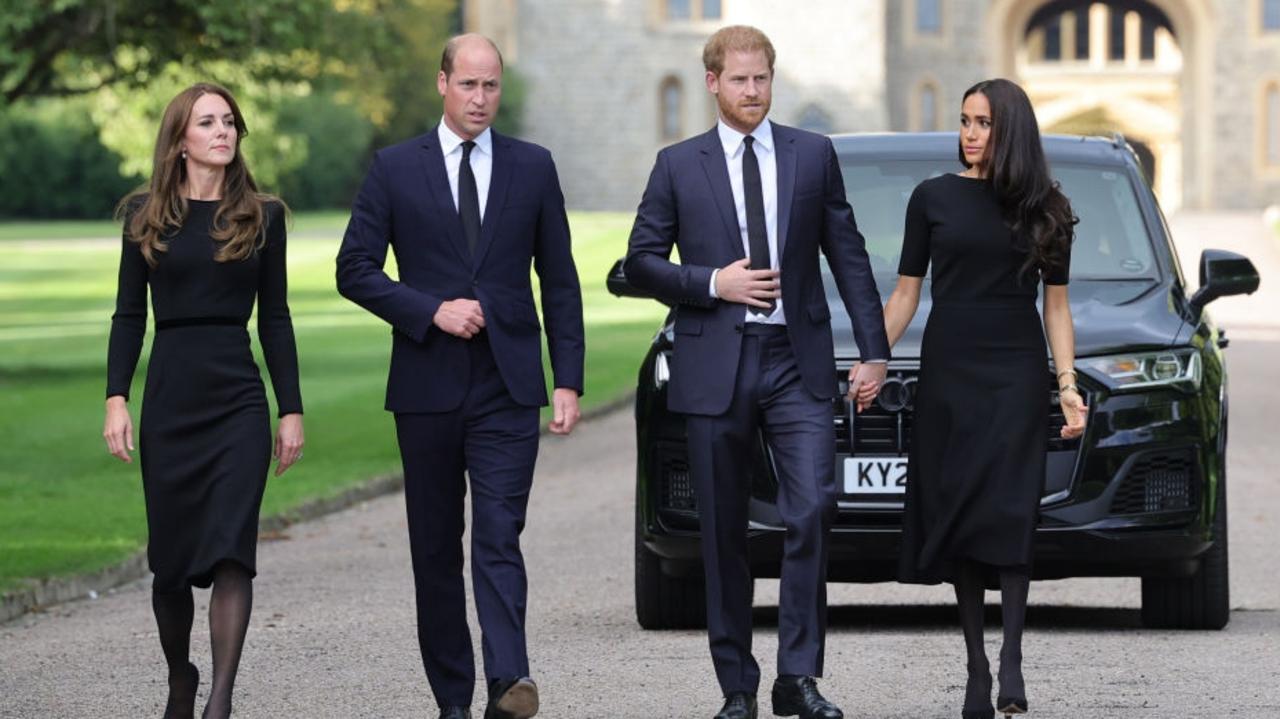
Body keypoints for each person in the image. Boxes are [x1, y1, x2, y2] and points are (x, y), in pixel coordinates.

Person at [624, 25, 890, 719]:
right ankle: (737, 686)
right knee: (722, 531)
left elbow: (849, 255)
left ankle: (796, 677)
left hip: (795, 363)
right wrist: (714, 281)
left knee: (813, 508)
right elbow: (642, 261)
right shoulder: (678, 165)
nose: (752, 91)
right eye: (739, 80)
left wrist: (873, 349)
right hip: (715, 361)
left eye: (762, 78)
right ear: (712, 82)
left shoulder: (812, 155)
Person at [335, 34, 584, 719]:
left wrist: (569, 379)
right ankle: (453, 699)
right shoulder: (394, 169)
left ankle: (509, 682)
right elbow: (353, 269)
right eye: (468, 85)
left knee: (499, 534)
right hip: (426, 386)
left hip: (509, 386)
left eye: (491, 86)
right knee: (436, 548)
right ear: (442, 83)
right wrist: (430, 310)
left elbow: (559, 281)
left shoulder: (533, 167)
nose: (480, 99)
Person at [880, 78, 1087, 719]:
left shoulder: (1049, 207)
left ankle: (1014, 659)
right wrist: (872, 356)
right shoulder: (932, 198)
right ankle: (976, 665)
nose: (969, 133)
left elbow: (1057, 308)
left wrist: (1068, 387)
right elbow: (907, 293)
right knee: (964, 513)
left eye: (983, 123)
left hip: (1016, 374)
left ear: (1011, 131)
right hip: (950, 374)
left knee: (1011, 509)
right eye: (965, 120)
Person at [103, 82, 304, 719]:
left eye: (229, 122)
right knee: (169, 566)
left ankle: (219, 701)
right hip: (171, 397)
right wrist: (116, 398)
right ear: (180, 140)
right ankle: (181, 676)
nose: (223, 131)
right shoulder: (144, 215)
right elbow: (128, 316)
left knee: (230, 551)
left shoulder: (263, 216)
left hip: (237, 400)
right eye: (207, 122)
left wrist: (289, 407)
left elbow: (275, 318)